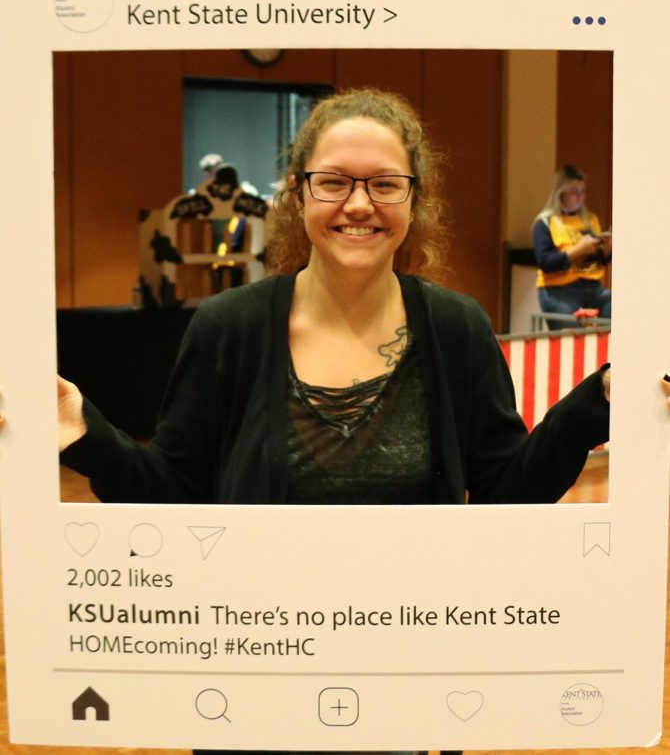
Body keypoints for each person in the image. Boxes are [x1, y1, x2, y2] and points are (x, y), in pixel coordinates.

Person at [11, 89, 622, 755]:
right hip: (249, 694)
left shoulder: (455, 328)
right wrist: (82, 430)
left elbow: (507, 494)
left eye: (385, 184)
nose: (359, 203)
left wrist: (597, 405)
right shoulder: (229, 329)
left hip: (405, 688)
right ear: (299, 196)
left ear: (414, 200)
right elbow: (172, 498)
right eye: (333, 182)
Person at [532, 164, 612, 330]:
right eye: (574, 192)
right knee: (570, 337)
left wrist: (607, 250)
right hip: (558, 290)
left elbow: (598, 260)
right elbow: (546, 263)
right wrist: (577, 250)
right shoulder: (545, 223)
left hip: (592, 287)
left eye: (583, 192)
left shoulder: (590, 219)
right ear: (560, 194)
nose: (580, 197)